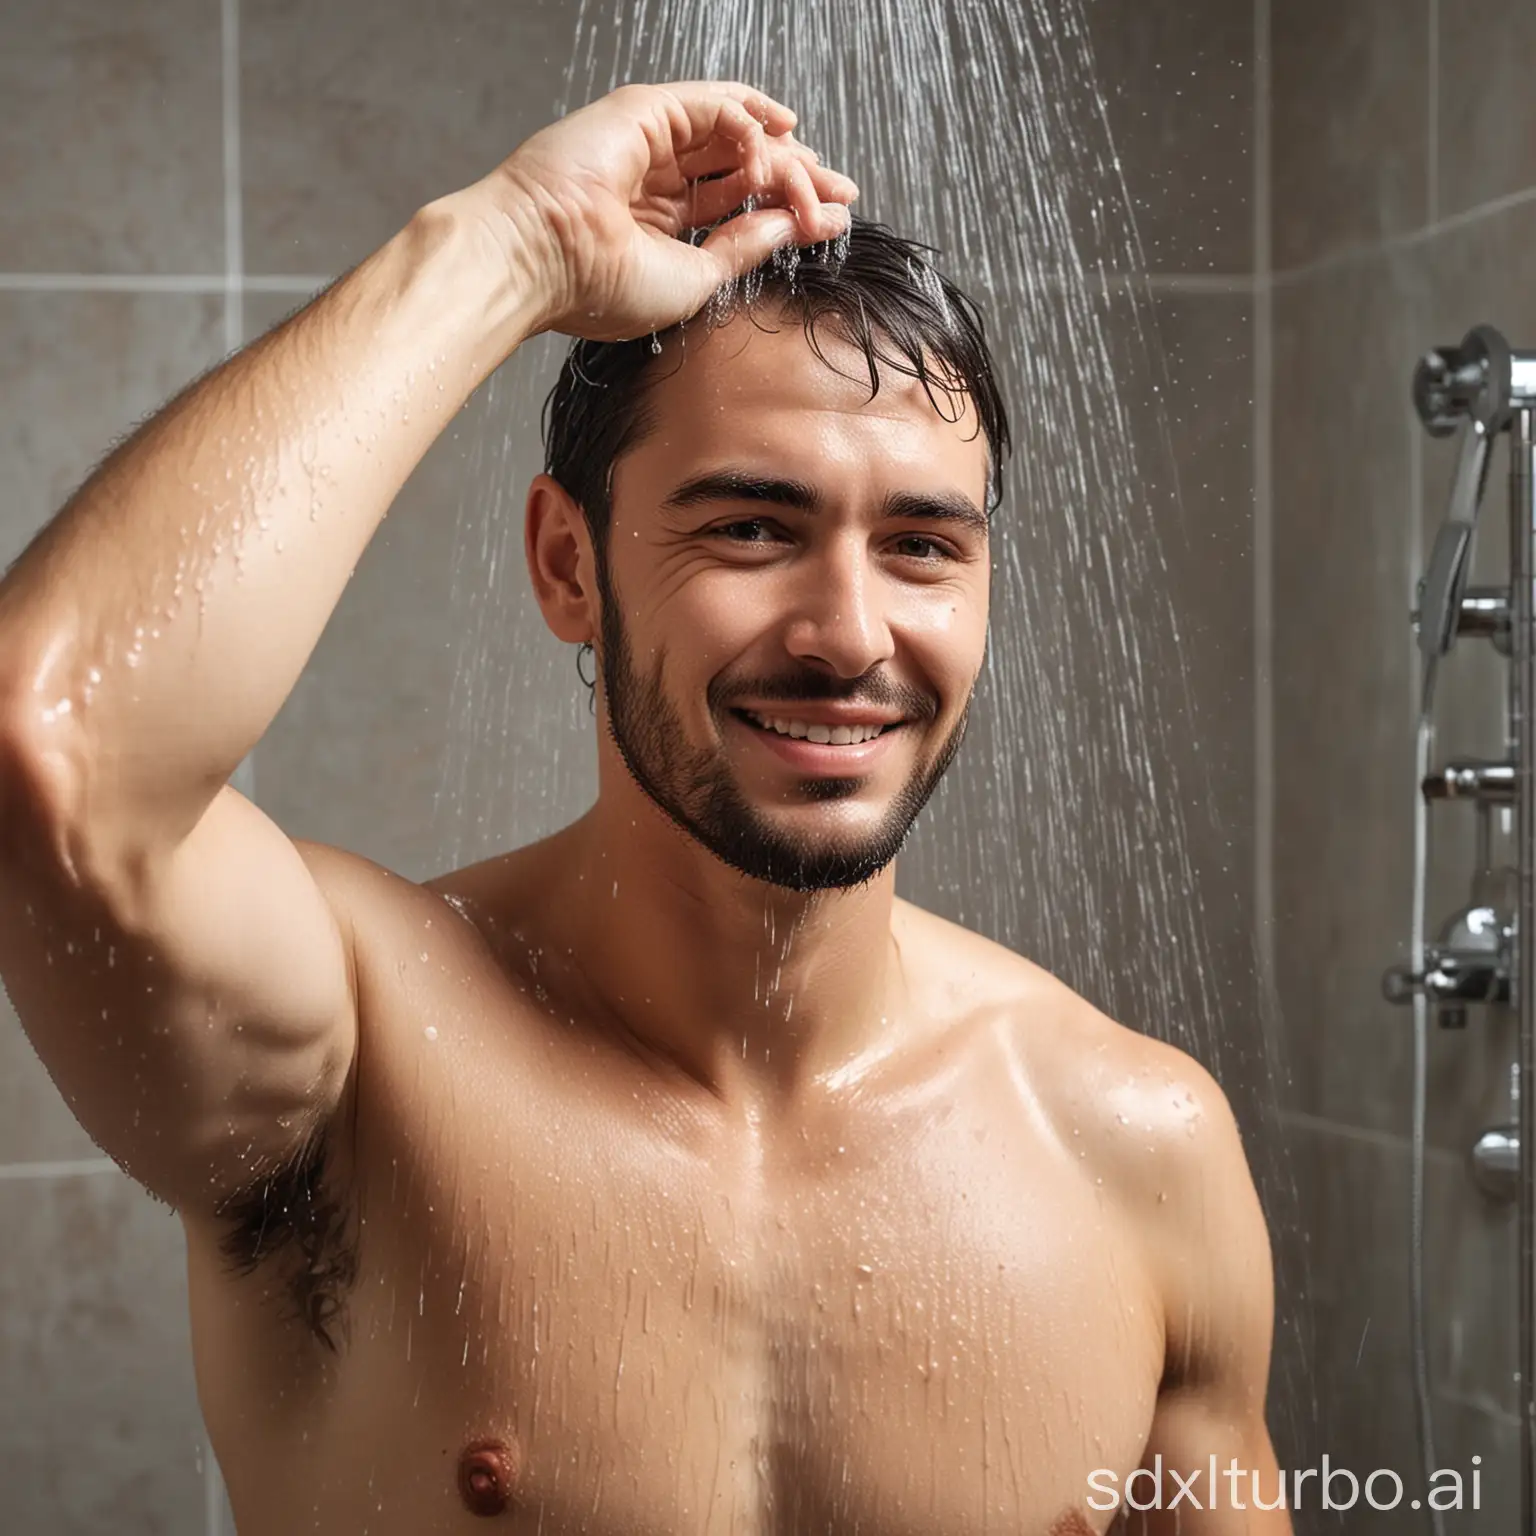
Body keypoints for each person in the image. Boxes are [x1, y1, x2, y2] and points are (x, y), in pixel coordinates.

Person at [0, 81, 1287, 1534]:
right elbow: (56, 749)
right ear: (569, 567)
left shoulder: (1138, 1150)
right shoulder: (359, 1062)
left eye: (924, 545)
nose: (850, 634)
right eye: (751, 526)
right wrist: (514, 244)